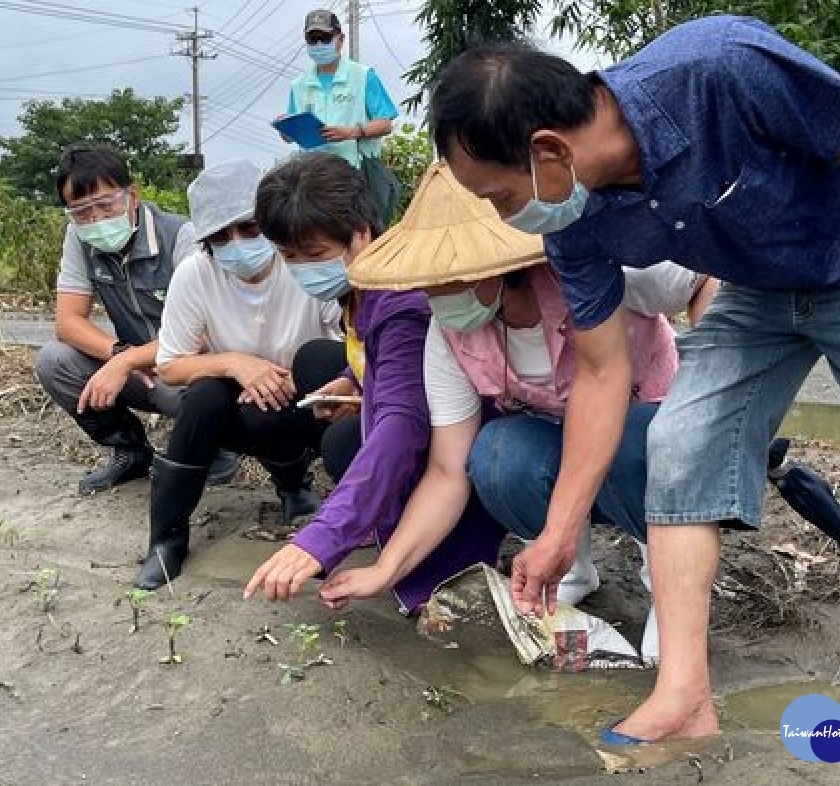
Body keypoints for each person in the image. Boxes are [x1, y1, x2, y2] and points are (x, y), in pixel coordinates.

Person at [427, 19, 840, 743]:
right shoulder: (574, 225)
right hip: (760, 287)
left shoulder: (717, 68)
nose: (503, 215)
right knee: (680, 442)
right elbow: (605, 370)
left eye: (497, 195)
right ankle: (684, 695)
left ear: (549, 151)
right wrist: (556, 533)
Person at [319, 162, 713, 661]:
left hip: (646, 430)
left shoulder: (593, 266)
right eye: (431, 283)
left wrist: (710, 385)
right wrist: (386, 569)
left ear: (498, 267)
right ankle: (569, 570)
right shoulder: (450, 333)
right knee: (495, 454)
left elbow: (700, 282)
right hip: (559, 443)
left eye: (454, 279)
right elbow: (446, 471)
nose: (440, 296)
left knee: (636, 438)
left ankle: (667, 582)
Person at [243, 153, 502, 614]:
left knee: (432, 579)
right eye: (289, 256)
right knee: (340, 423)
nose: (302, 268)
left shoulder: (400, 302)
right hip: (434, 419)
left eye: (315, 255)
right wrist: (352, 380)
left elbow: (402, 428)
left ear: (361, 233)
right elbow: (383, 368)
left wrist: (324, 536)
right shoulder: (362, 288)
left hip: (465, 435)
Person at [135, 160, 345, 589]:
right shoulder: (196, 274)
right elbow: (171, 364)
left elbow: (345, 352)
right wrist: (236, 364)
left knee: (312, 362)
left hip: (307, 400)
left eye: (249, 229)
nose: (237, 244)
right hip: (235, 404)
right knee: (205, 394)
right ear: (205, 242)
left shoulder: (304, 264)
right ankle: (167, 536)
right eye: (220, 237)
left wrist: (285, 379)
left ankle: (294, 486)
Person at [35, 143, 237, 495]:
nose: (95, 219)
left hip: (190, 366)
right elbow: (68, 322)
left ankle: (216, 450)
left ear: (132, 195)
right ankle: (130, 451)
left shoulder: (181, 236)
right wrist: (120, 355)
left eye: (105, 204)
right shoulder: (78, 240)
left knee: (189, 388)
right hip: (140, 369)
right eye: (81, 211)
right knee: (55, 361)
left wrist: (127, 359)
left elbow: (202, 335)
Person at [280, 9, 398, 172]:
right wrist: (285, 130)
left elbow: (385, 124)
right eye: (312, 39)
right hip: (312, 176)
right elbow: (290, 136)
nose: (319, 44)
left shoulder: (364, 76)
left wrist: (352, 132)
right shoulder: (298, 85)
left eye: (325, 37)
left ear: (340, 39)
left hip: (354, 173)